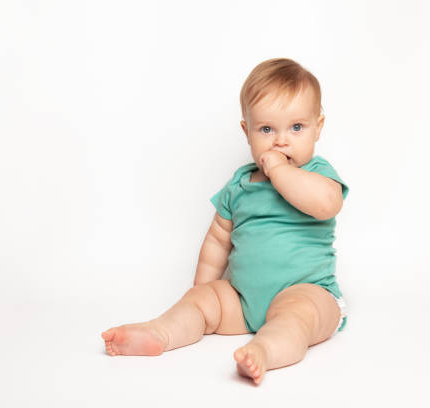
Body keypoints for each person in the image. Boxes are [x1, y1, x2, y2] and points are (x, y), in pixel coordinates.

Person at [101, 57, 348, 385]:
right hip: (244, 301)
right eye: (266, 129)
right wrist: (202, 290)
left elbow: (327, 204)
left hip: (308, 292)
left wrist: (279, 170)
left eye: (297, 127)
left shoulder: (315, 174)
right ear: (247, 132)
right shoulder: (240, 184)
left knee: (295, 319)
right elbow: (218, 239)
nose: (281, 140)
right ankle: (160, 332)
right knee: (203, 301)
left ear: (319, 127)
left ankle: (264, 350)